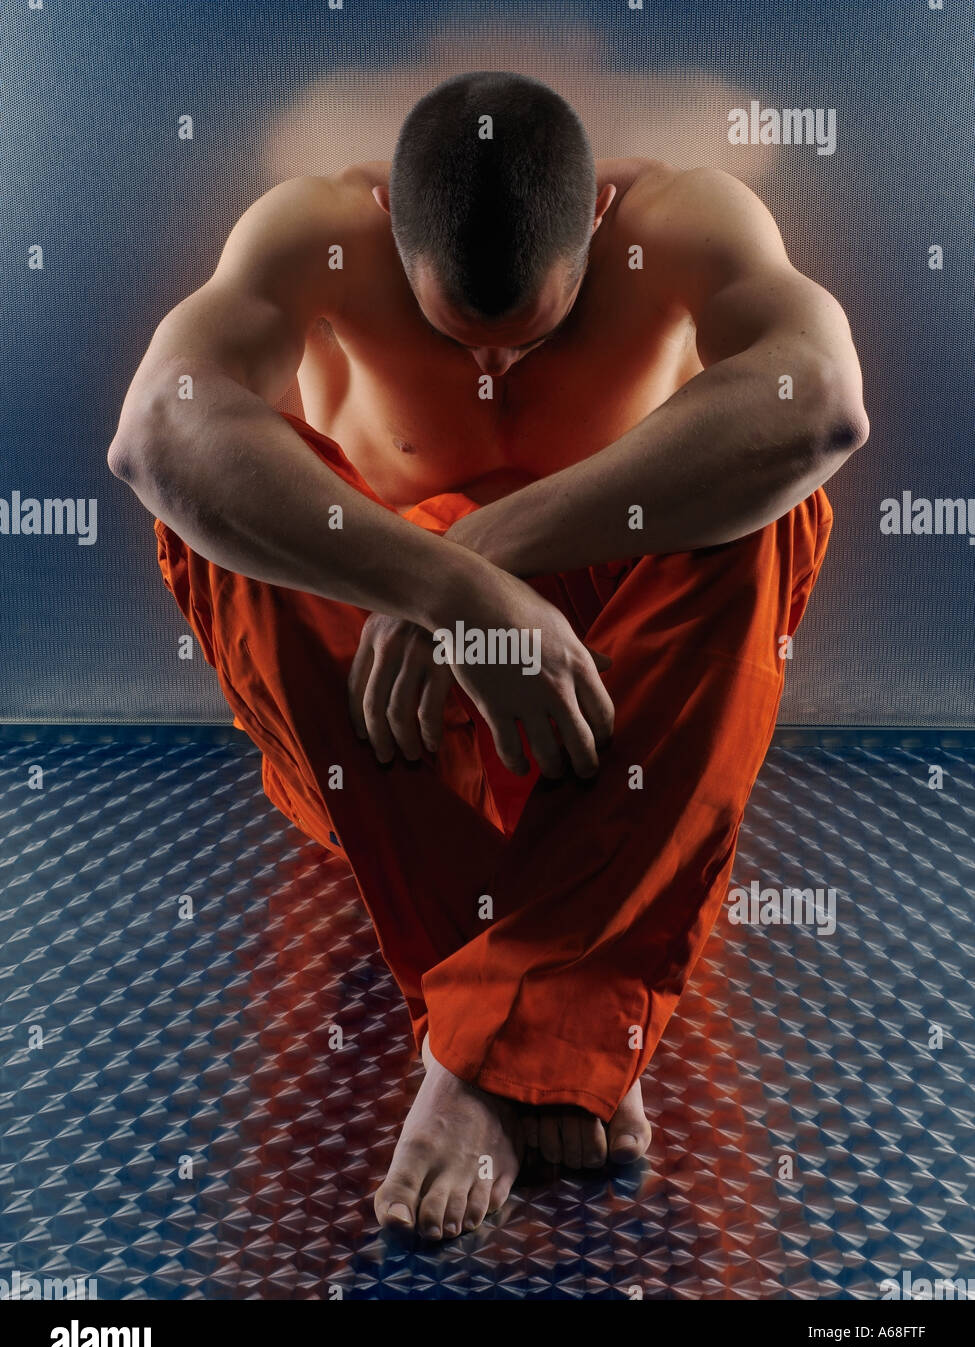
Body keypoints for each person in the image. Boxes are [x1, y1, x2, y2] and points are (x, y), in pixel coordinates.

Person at [108, 71, 869, 1242]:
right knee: (222, 514)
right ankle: (549, 1030)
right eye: (456, 340)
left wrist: (492, 548)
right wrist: (442, 586)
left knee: (776, 512)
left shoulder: (681, 223)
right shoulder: (317, 231)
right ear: (390, 239)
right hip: (383, 725)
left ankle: (474, 1061)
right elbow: (155, 427)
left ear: (598, 234)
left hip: (604, 724)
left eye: (533, 340)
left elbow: (821, 401)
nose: (491, 378)